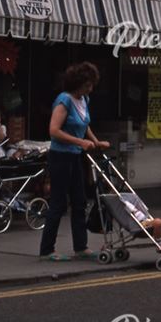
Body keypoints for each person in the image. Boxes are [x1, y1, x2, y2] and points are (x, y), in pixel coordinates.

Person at [39, 62, 110, 262]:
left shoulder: (84, 99)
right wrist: (81, 142)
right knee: (58, 203)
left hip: (75, 156)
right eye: (88, 84)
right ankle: (46, 250)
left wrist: (96, 142)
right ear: (79, 83)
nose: (91, 88)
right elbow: (54, 131)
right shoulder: (64, 100)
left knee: (79, 202)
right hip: (60, 156)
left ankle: (81, 247)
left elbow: (84, 125)